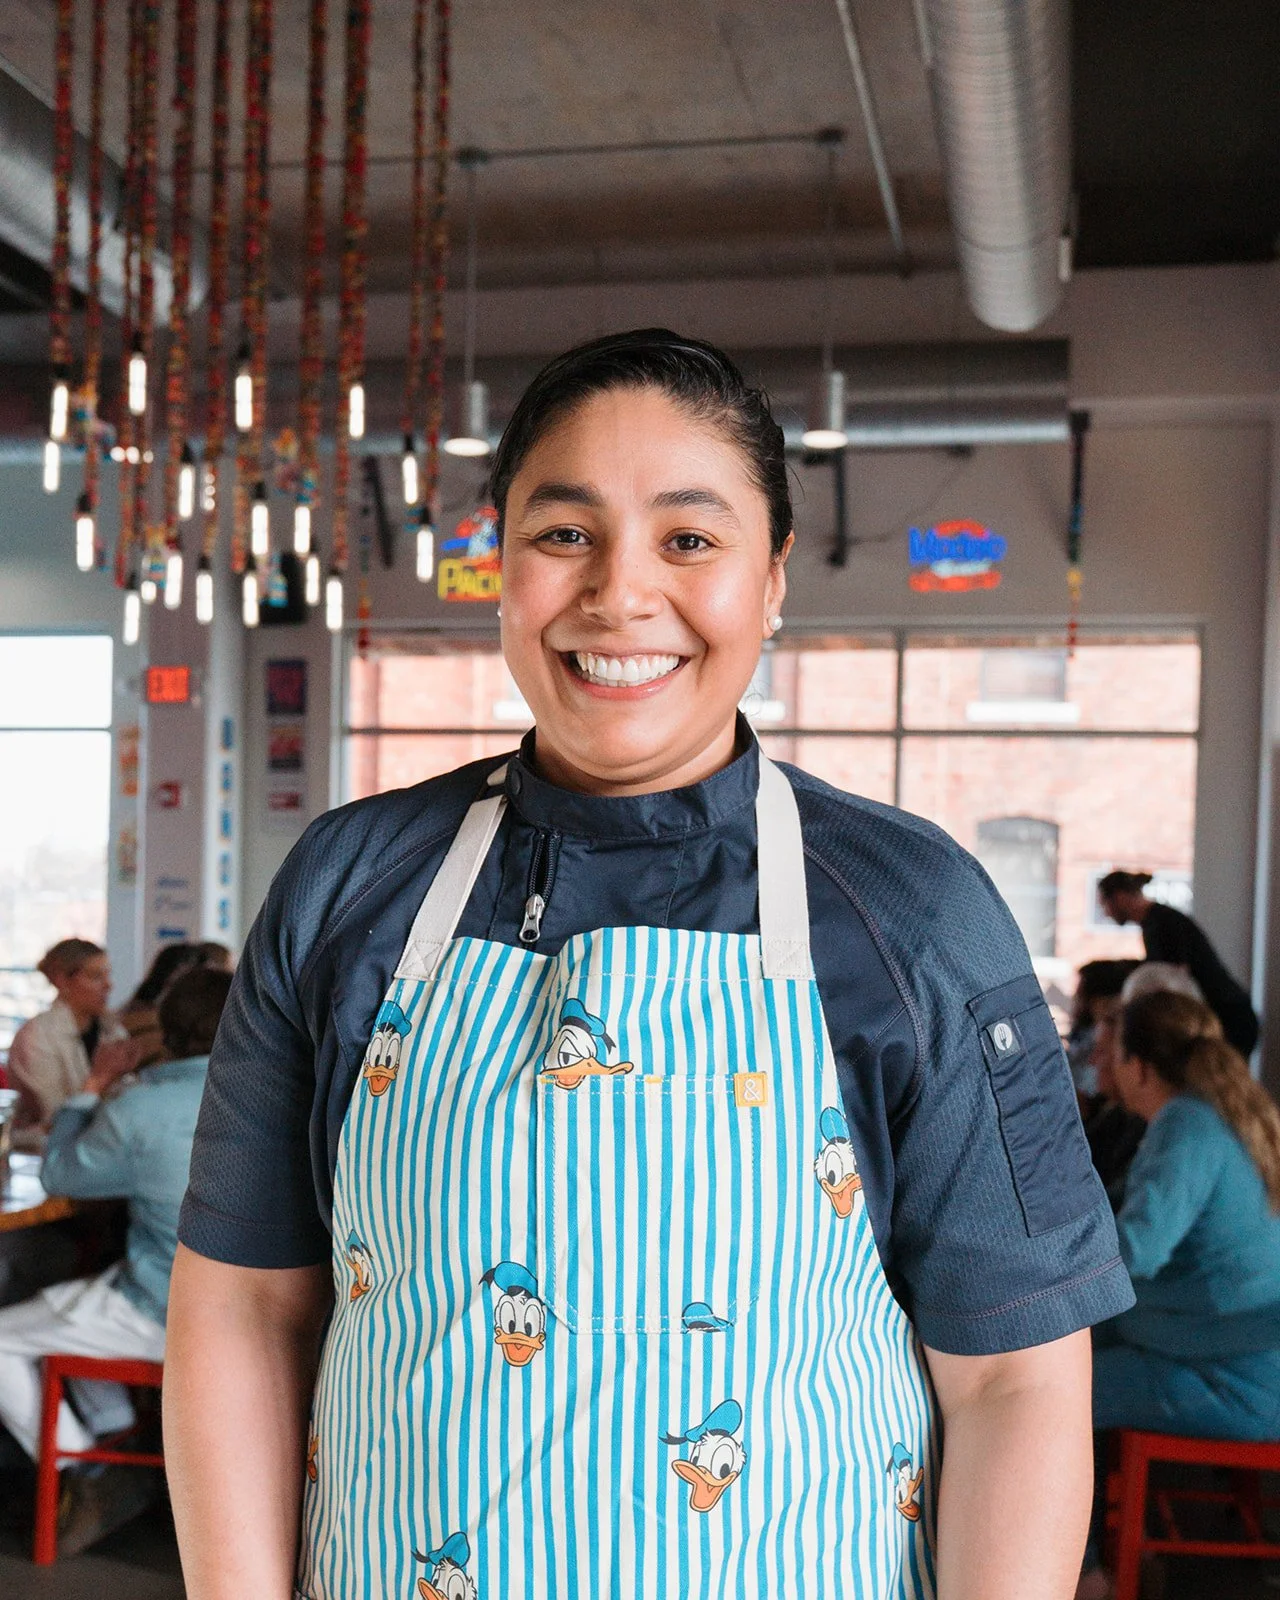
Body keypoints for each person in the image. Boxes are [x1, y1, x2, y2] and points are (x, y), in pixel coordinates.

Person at [165, 329, 1133, 1600]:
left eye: (688, 540)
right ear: (496, 559)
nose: (620, 595)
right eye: (564, 533)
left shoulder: (913, 908)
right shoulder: (351, 883)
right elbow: (243, 1310)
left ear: (771, 579)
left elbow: (1012, 1374)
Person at [1098, 870, 1258, 1056]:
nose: (1106, 913)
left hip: (1228, 1020)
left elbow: (1173, 977)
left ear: (1119, 897)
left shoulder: (1162, 923)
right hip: (1224, 1017)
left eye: (1104, 904)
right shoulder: (1156, 922)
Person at [7, 939, 126, 1144]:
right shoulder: (36, 1037)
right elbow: (56, 1118)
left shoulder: (113, 1030)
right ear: (62, 981)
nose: (108, 985)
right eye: (96, 976)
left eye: (108, 975)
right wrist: (99, 1081)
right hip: (41, 1152)